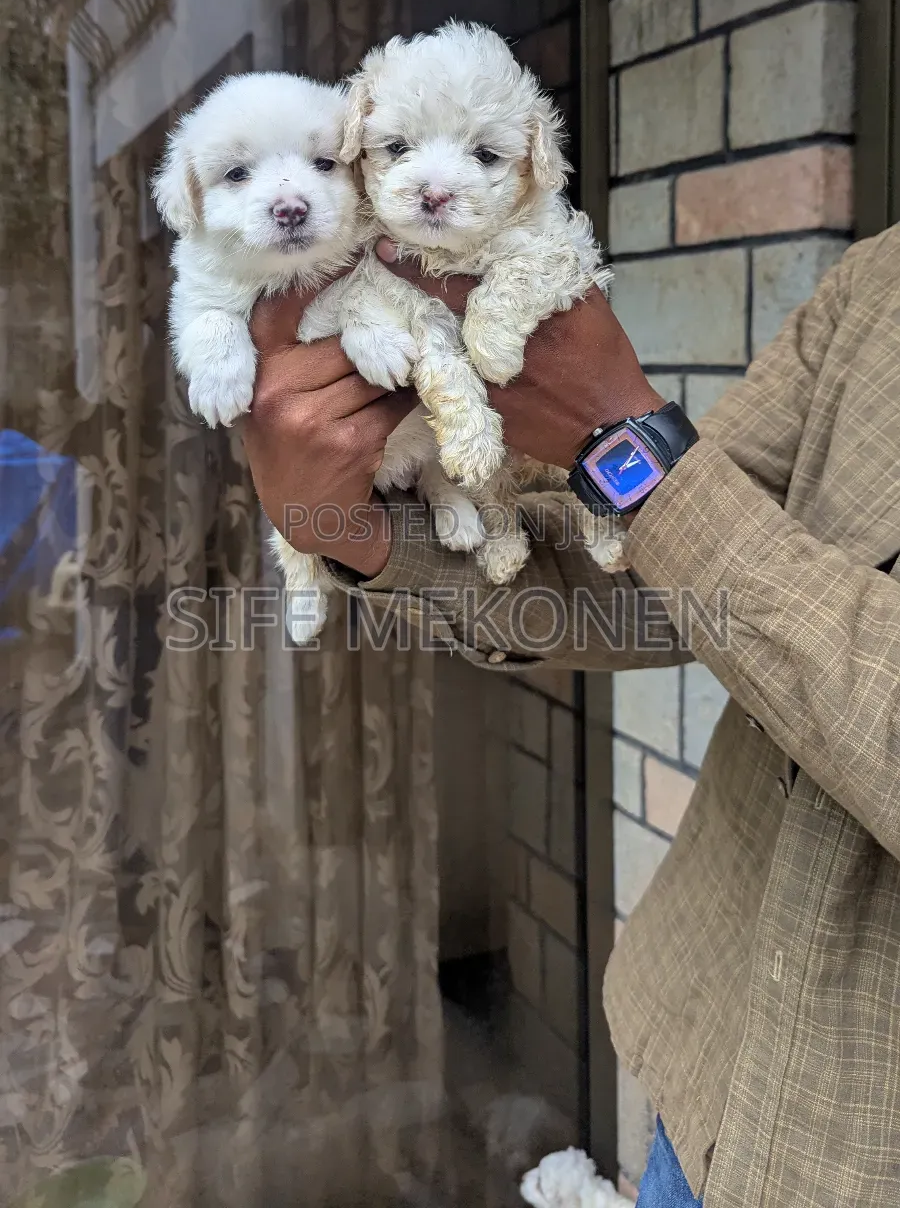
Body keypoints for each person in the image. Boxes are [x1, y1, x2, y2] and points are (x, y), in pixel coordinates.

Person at [242, 224, 900, 1208]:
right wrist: (349, 523)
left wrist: (626, 437)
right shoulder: (882, 282)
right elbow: (661, 572)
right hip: (711, 1075)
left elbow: (670, 500)